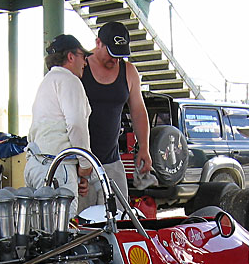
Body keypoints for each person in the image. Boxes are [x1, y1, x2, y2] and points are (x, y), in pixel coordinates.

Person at [79, 21, 153, 211]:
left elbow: (138, 111)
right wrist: (77, 166)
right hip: (79, 163)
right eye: (111, 53)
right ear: (98, 43)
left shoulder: (129, 71)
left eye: (120, 55)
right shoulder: (80, 66)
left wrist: (144, 147)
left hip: (112, 161)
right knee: (80, 222)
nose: (115, 59)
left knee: (119, 218)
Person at [24, 34, 92, 217]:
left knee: (39, 228)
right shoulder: (70, 80)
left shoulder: (47, 81)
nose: (85, 62)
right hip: (57, 167)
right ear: (70, 56)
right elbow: (76, 124)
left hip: (36, 164)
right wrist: (85, 164)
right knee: (62, 228)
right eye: (83, 56)